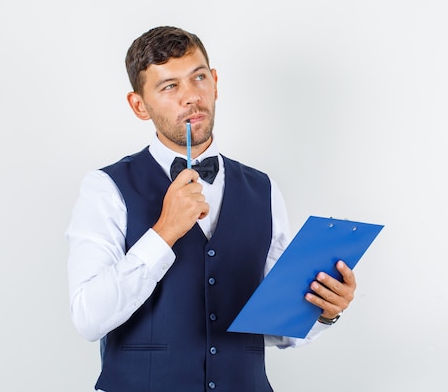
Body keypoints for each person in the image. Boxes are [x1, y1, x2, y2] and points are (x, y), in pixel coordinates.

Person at [66, 25, 357, 392]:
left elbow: (276, 326)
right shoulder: (105, 188)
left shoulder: (263, 189)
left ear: (215, 82)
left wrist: (325, 310)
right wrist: (164, 232)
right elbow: (88, 318)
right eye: (169, 86)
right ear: (139, 105)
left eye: (198, 77)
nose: (191, 97)